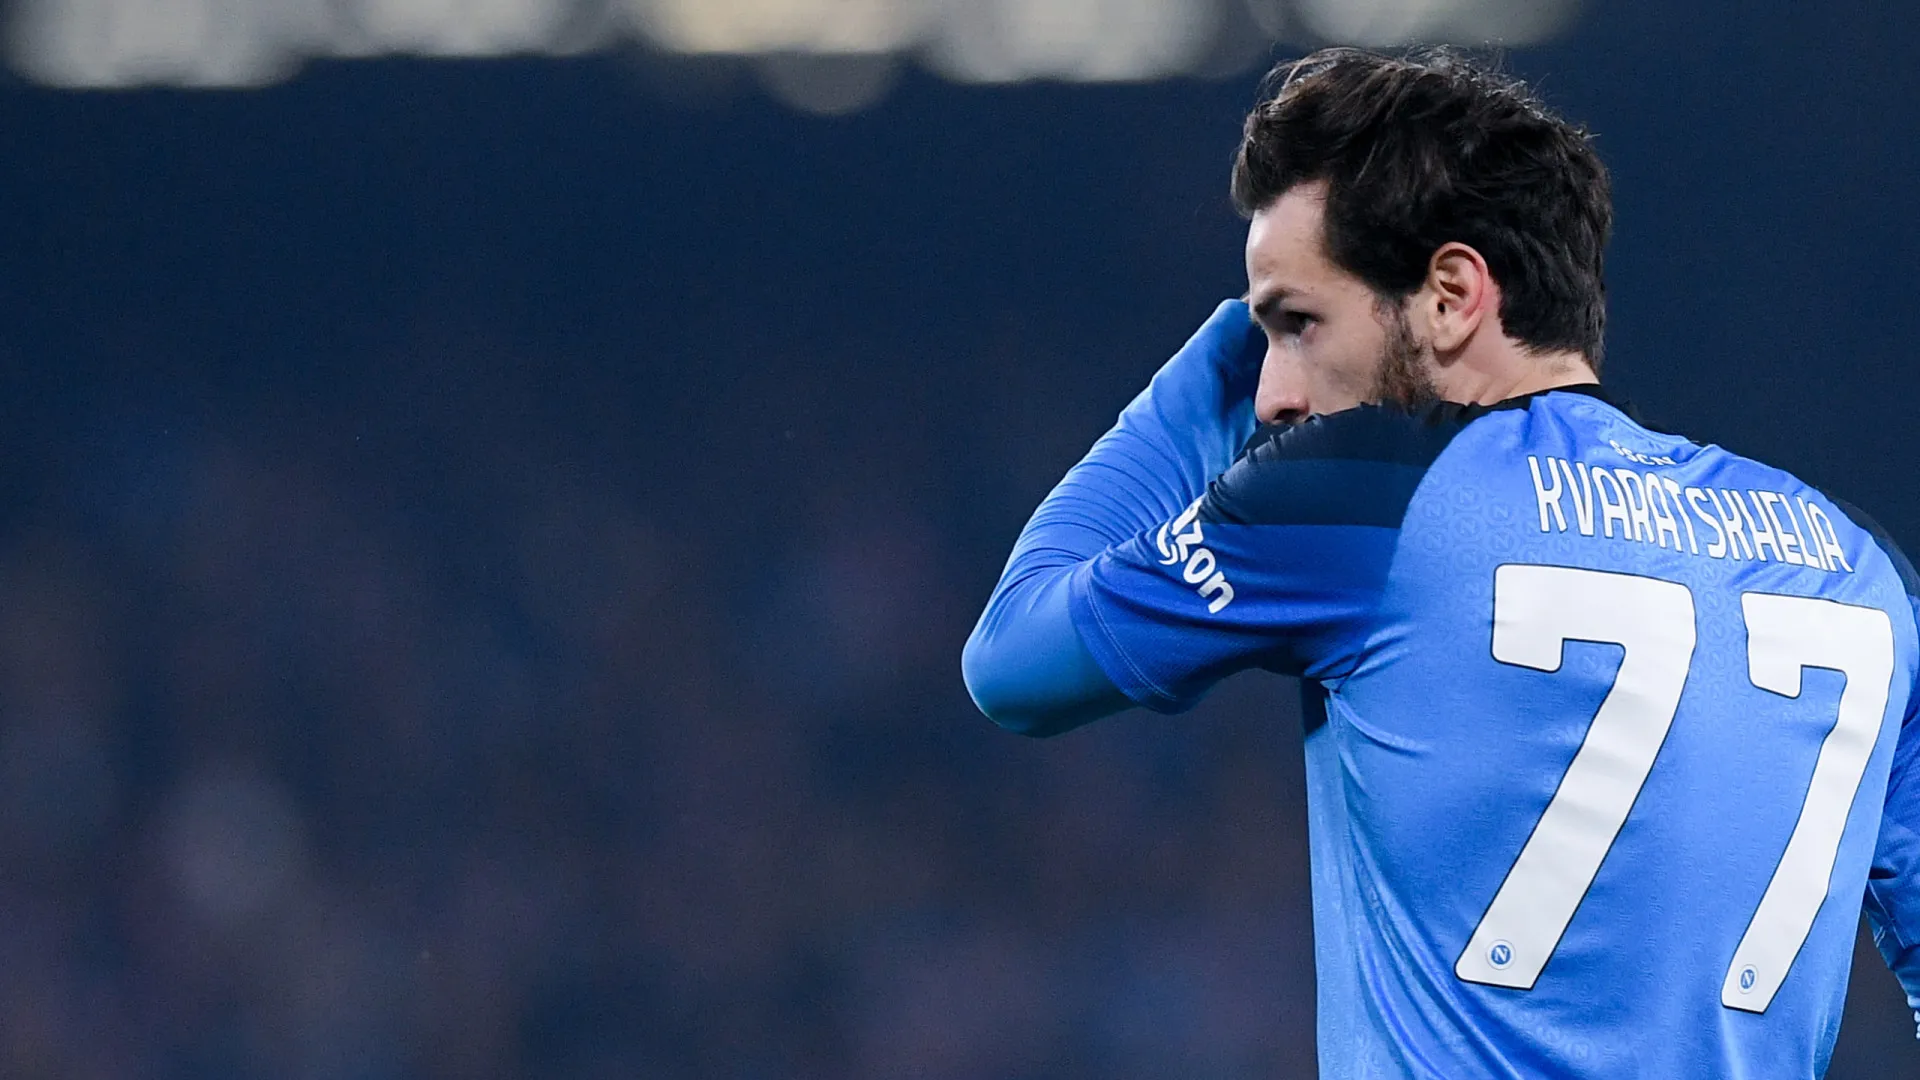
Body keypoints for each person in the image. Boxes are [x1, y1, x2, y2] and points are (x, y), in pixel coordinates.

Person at [961, 47, 1920, 1078]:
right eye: (1266, 338)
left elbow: (1013, 660)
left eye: (1297, 323)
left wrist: (1214, 369)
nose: (1277, 395)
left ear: (1454, 295)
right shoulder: (1857, 564)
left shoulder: (1368, 490)